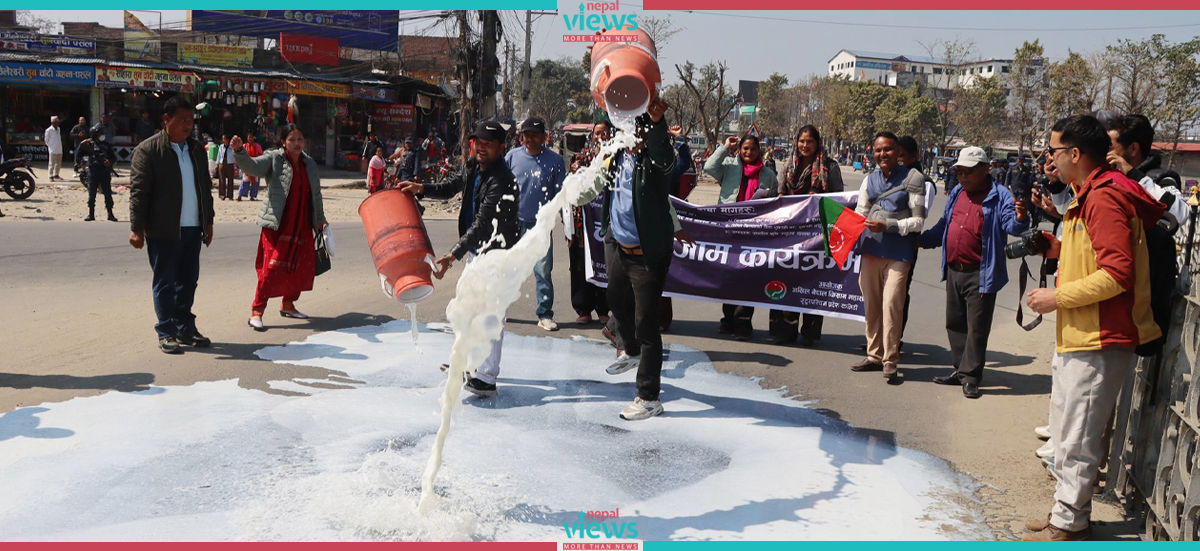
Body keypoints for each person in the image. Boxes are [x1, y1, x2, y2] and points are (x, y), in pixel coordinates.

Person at [1022, 115, 1166, 541]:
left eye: (1053, 151)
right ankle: (1068, 515)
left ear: (1075, 154)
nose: (1050, 160)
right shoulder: (1090, 194)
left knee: (1078, 440)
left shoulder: (1104, 197)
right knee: (1069, 436)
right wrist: (1059, 249)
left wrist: (1055, 298)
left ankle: (1069, 523)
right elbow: (1096, 255)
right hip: (1082, 334)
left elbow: (1117, 274)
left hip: (1100, 336)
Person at [577, 97, 692, 421]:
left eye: (637, 134)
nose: (631, 139)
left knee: (646, 324)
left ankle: (649, 396)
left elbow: (664, 156)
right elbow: (591, 188)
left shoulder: (655, 163)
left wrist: (657, 125)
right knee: (615, 301)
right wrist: (567, 192)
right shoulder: (614, 160)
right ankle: (630, 350)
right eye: (626, 132)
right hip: (621, 248)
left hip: (648, 257)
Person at [398, 121, 519, 398]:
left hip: (498, 254)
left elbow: (482, 223)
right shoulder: (475, 166)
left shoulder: (502, 179)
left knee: (490, 314)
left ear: (502, 148)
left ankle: (486, 378)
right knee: (466, 306)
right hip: (479, 251)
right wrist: (421, 188)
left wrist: (453, 255)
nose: (482, 148)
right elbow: (452, 185)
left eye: (489, 144)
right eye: (479, 142)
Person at [919, 146, 1028, 399]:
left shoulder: (1000, 195)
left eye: (968, 172)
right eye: (959, 172)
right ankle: (960, 370)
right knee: (955, 323)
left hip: (981, 272)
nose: (963, 177)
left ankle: (971, 376)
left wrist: (1021, 219)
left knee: (976, 327)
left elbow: (1011, 224)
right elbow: (944, 224)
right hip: (954, 268)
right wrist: (922, 240)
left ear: (985, 169)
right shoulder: (958, 191)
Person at [128, 96, 215, 354]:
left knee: (188, 282)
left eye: (190, 120)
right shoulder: (148, 150)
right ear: (166, 120)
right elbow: (139, 192)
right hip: (163, 229)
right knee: (165, 282)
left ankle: (185, 328)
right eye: (182, 120)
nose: (188, 125)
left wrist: (208, 221)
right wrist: (136, 228)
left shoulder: (197, 149)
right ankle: (166, 331)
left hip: (192, 227)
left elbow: (205, 189)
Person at [231, 125, 328, 331]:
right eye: (292, 139)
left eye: (300, 139)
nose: (296, 143)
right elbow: (252, 167)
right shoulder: (274, 158)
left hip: (302, 223)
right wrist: (240, 152)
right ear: (283, 142)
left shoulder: (309, 163)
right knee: (271, 268)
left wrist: (319, 217)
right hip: (278, 224)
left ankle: (288, 304)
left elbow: (316, 193)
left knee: (300, 266)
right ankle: (257, 311)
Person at [850, 132, 926, 380]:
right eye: (878, 150)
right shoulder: (869, 179)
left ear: (897, 152)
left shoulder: (914, 178)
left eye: (888, 150)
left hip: (899, 253)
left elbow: (918, 222)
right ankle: (874, 355)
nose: (883, 154)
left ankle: (890, 358)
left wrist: (890, 226)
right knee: (871, 303)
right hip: (871, 249)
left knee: (892, 303)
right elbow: (860, 214)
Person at [773, 124, 843, 346]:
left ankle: (810, 333)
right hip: (790, 234)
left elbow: (840, 200)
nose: (805, 145)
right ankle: (785, 330)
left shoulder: (830, 168)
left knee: (813, 282)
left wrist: (820, 197)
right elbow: (779, 194)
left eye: (809, 141)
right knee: (787, 279)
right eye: (802, 141)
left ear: (817, 143)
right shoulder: (788, 165)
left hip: (817, 237)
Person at [704, 133, 778, 340]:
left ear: (759, 151)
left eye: (753, 149)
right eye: (745, 148)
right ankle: (727, 320)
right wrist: (724, 147)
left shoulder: (768, 175)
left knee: (748, 278)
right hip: (728, 231)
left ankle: (743, 323)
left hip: (754, 235)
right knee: (728, 277)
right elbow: (709, 167)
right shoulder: (729, 166)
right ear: (739, 149)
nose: (749, 152)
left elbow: (773, 204)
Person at [505, 117, 567, 331]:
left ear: (544, 137)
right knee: (506, 269)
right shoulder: (511, 157)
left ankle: (545, 314)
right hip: (513, 224)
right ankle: (497, 310)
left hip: (541, 226)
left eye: (534, 134)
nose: (529, 138)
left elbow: (561, 193)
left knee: (542, 271)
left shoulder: (555, 161)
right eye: (526, 134)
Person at [565, 120, 612, 325]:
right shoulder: (581, 159)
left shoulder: (617, 158)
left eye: (605, 133)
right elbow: (570, 189)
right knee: (581, 265)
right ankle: (583, 308)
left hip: (607, 223)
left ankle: (604, 308)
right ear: (592, 137)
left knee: (606, 264)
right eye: (597, 134)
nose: (600, 137)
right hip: (582, 224)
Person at [896, 136, 938, 350]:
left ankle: (894, 339)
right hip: (882, 243)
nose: (897, 159)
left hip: (905, 245)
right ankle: (878, 338)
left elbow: (918, 218)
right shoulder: (890, 177)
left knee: (899, 292)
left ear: (915, 156)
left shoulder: (924, 183)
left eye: (901, 155)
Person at [75, 124, 118, 222]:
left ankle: (110, 213)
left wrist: (109, 162)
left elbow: (113, 158)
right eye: (99, 133)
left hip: (104, 172)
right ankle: (91, 214)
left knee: (107, 193)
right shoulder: (88, 145)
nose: (101, 135)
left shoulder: (106, 145)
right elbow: (78, 156)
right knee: (92, 194)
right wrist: (81, 145)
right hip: (93, 172)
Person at [236, 133, 263, 201]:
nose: (250, 139)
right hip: (246, 165)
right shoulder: (244, 146)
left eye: (251, 137)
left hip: (255, 165)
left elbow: (261, 155)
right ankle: (240, 195)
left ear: (253, 138)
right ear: (247, 138)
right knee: (244, 181)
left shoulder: (257, 146)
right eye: (249, 137)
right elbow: (240, 155)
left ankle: (252, 196)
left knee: (255, 182)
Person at [215, 134, 236, 201]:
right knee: (221, 179)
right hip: (222, 163)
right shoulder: (221, 146)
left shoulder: (232, 147)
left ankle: (230, 195)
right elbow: (219, 155)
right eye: (223, 139)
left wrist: (235, 164)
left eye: (224, 139)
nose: (223, 140)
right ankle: (222, 195)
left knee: (230, 180)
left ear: (228, 139)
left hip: (230, 163)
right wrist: (217, 164)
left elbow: (234, 155)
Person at [44, 116, 63, 181]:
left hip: (59, 149)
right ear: (53, 123)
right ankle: (50, 175)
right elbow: (46, 140)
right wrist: (50, 146)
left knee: (58, 163)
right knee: (52, 163)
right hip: (53, 149)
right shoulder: (48, 130)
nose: (58, 123)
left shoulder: (59, 129)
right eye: (56, 122)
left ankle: (56, 174)